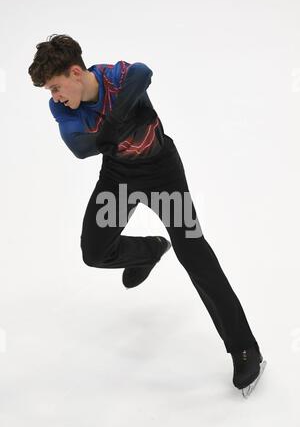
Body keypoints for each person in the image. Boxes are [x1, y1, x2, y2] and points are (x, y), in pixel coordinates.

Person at [28, 34, 266, 398]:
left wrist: (113, 123)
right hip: (119, 179)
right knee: (94, 252)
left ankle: (245, 348)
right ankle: (150, 250)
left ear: (77, 72)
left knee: (194, 254)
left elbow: (142, 72)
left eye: (56, 87)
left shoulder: (114, 76)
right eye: (49, 91)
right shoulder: (62, 108)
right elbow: (80, 148)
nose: (55, 97)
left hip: (162, 174)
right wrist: (123, 119)